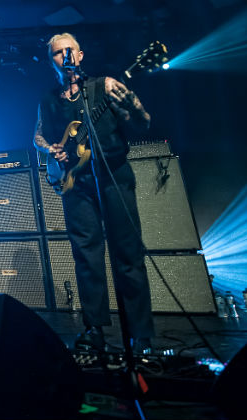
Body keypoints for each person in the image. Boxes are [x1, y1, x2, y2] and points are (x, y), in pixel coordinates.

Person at [33, 33, 154, 354]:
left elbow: (142, 122)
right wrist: (53, 149)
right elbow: (38, 136)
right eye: (58, 53)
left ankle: (140, 334)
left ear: (81, 54)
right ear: (52, 61)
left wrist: (131, 104)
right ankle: (94, 329)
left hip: (113, 175)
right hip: (77, 182)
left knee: (128, 254)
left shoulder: (106, 86)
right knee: (86, 255)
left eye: (69, 50)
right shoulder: (49, 99)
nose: (65, 56)